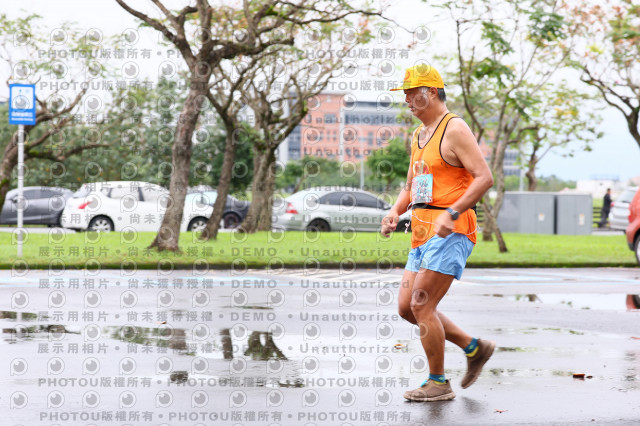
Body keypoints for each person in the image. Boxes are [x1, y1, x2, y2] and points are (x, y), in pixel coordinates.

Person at [381, 64, 495, 402]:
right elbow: (412, 186)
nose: (406, 100)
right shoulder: (419, 134)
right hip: (422, 231)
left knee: (421, 303)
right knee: (407, 307)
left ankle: (438, 383)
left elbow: (484, 177)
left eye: (410, 94)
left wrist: (452, 212)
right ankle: (474, 348)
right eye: (404, 95)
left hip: (452, 230)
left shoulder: (454, 128)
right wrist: (395, 211)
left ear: (431, 92)